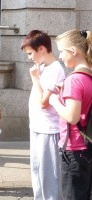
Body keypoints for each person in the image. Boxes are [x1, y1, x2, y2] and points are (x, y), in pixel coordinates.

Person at [20, 30, 65, 200]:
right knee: (38, 172)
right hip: (40, 127)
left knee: (48, 176)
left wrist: (35, 79)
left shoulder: (54, 69)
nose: (30, 57)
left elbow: (43, 102)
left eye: (31, 53)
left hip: (48, 129)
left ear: (41, 49)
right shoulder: (46, 68)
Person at [49, 30, 92, 200]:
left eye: (61, 51)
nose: (60, 56)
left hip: (74, 148)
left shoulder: (74, 80)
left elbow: (72, 117)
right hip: (87, 145)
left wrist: (54, 100)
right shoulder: (88, 76)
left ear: (73, 51)